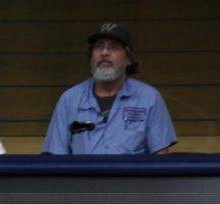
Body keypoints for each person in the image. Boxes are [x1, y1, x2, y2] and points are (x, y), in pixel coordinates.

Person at [42, 22, 177, 155]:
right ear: (91, 57)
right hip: (83, 177)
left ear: (128, 59)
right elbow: (55, 156)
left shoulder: (149, 97)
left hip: (131, 177)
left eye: (113, 47)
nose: (104, 52)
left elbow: (160, 156)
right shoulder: (69, 99)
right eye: (98, 47)